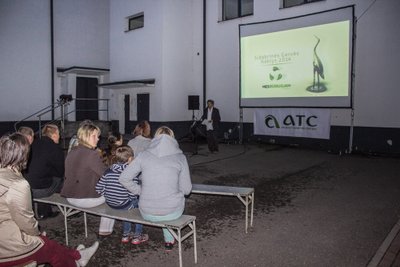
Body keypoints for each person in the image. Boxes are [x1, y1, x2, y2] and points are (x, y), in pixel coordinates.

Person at [0, 133, 99, 267]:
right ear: (24, 155)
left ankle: (76, 254)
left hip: (6, 233)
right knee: (49, 248)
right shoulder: (18, 184)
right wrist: (38, 234)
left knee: (48, 244)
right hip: (8, 248)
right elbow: (26, 221)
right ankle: (76, 262)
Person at [119, 126, 192, 251]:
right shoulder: (180, 157)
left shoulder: (143, 155)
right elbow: (187, 189)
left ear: (155, 138)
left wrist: (140, 191)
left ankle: (169, 239)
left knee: (161, 200)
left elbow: (124, 178)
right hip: (172, 212)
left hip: (147, 211)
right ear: (173, 139)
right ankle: (168, 241)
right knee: (169, 203)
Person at [60, 122, 115, 236]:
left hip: (70, 196)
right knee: (113, 194)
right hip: (84, 199)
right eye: (94, 136)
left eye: (98, 136)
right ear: (85, 136)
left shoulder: (72, 152)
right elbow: (106, 175)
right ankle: (105, 230)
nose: (98, 139)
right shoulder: (92, 154)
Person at [96, 145, 149, 244]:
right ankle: (137, 235)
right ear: (129, 159)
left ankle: (126, 234)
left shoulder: (108, 171)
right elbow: (133, 192)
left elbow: (98, 188)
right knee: (139, 205)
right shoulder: (131, 173)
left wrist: (107, 195)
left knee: (127, 206)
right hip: (124, 204)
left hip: (110, 203)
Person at [25, 124, 64, 219]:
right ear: (54, 135)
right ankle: (70, 207)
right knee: (60, 179)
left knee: (42, 176)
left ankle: (43, 212)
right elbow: (60, 171)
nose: (60, 136)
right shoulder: (55, 149)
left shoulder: (33, 144)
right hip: (40, 190)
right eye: (59, 133)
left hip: (26, 187)